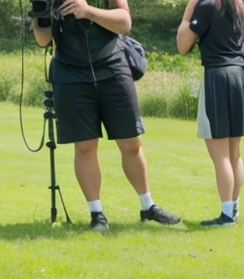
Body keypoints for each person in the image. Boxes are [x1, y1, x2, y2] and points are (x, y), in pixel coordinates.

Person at [32, 0, 181, 232]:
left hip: (113, 67)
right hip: (70, 74)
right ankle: (97, 213)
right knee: (85, 147)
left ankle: (147, 206)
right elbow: (43, 39)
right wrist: (40, 15)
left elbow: (124, 23)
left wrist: (88, 11)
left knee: (131, 142)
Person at [176, 0, 244, 228]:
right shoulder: (237, 4)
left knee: (221, 155)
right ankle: (233, 208)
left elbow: (182, 46)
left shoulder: (207, 5)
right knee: (234, 153)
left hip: (217, 79)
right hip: (239, 78)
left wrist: (188, 11)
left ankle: (226, 215)